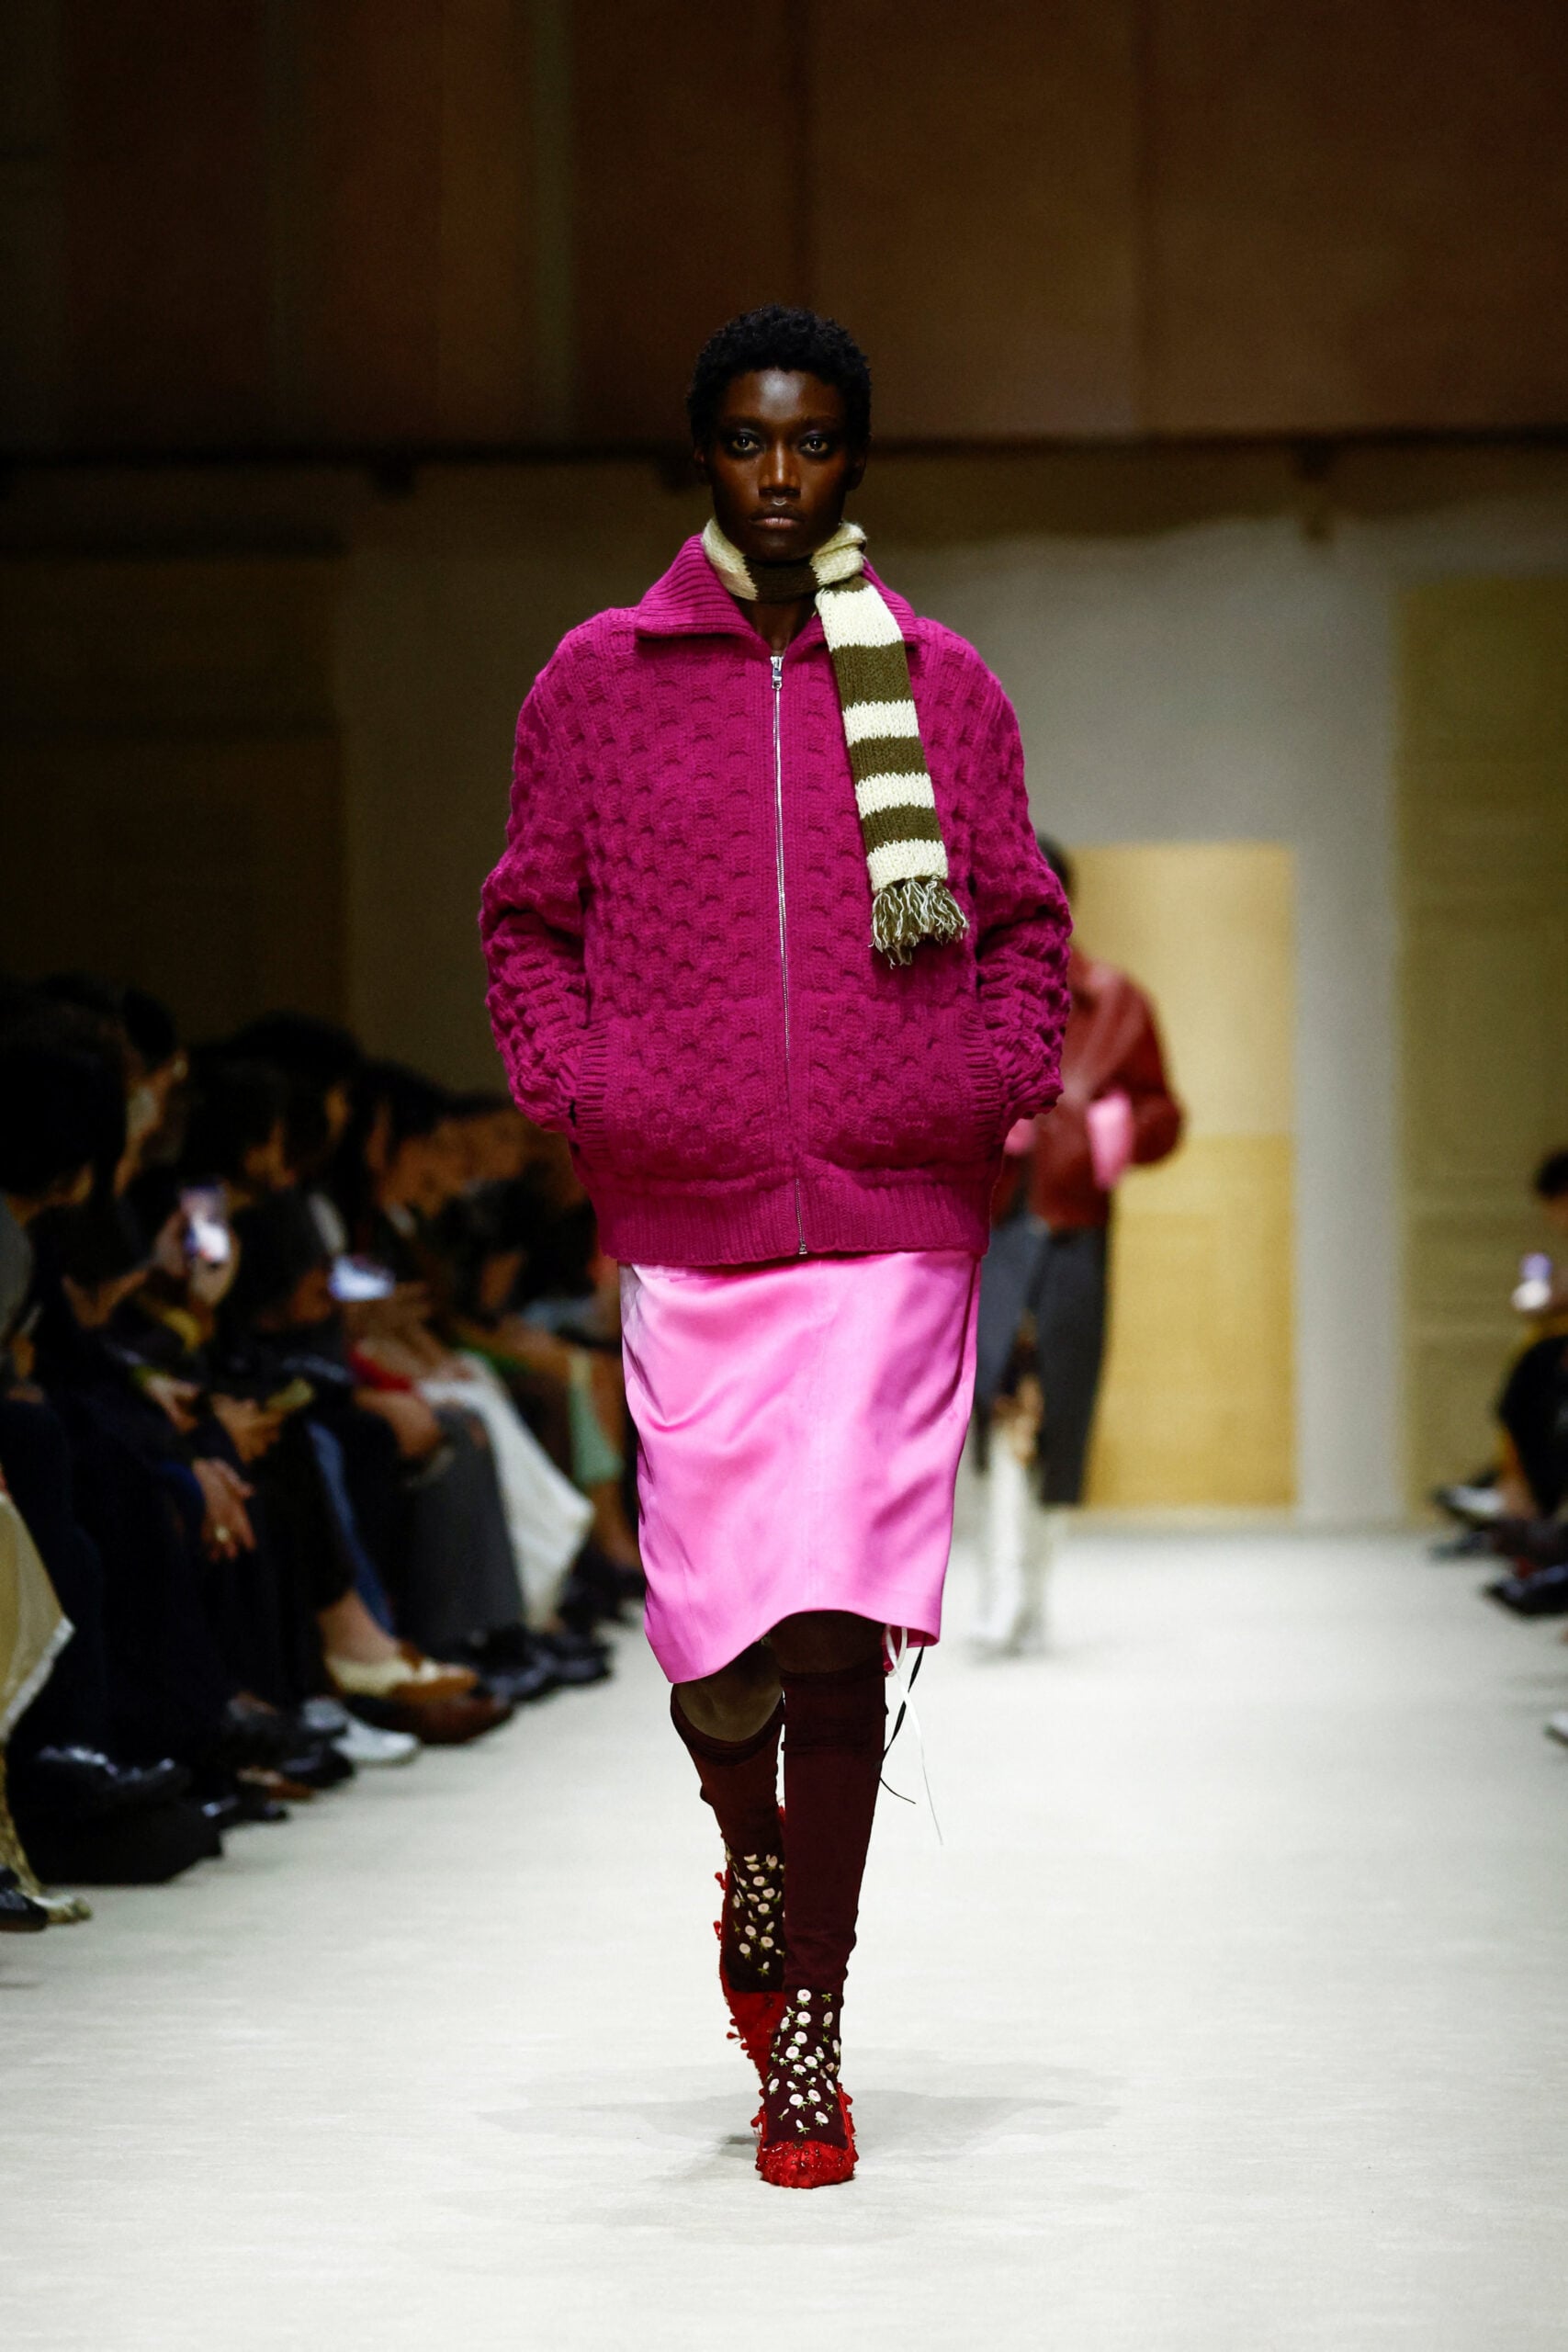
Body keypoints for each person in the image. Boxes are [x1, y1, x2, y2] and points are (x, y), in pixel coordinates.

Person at [481, 305, 1069, 2187]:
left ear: (857, 457)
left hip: (894, 1217)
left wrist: (986, 1079)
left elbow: (1021, 920)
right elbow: (527, 920)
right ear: (702, 453)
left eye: (813, 442)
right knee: (714, 1642)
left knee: (830, 1624)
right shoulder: (597, 680)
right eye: (748, 441)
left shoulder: (944, 686)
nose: (782, 475)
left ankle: (809, 2023)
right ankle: (749, 1848)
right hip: (693, 1212)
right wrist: (587, 1089)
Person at [972, 838, 1184, 1652]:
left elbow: (1164, 1113)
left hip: (1073, 1233)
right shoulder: (969, 996)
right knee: (994, 1405)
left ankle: (1033, 1594)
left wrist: (1120, 1128)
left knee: (1059, 1413)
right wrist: (988, 1124)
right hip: (989, 1232)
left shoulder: (1115, 1003)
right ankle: (1000, 1595)